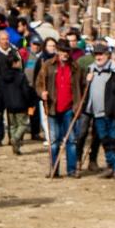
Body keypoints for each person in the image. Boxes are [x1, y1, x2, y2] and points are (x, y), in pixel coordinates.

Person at [34, 37, 86, 178]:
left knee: (71, 141)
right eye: (62, 51)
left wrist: (80, 103)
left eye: (67, 51)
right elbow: (38, 84)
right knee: (54, 141)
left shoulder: (76, 68)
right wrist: (41, 93)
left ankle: (71, 170)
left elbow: (82, 86)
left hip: (70, 108)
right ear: (57, 51)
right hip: (52, 108)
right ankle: (54, 169)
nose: (65, 54)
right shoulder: (47, 66)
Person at [79, 44, 115, 180]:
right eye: (96, 54)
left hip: (111, 111)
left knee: (114, 140)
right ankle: (110, 166)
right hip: (96, 111)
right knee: (105, 140)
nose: (98, 57)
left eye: (101, 54)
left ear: (108, 55)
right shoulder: (91, 69)